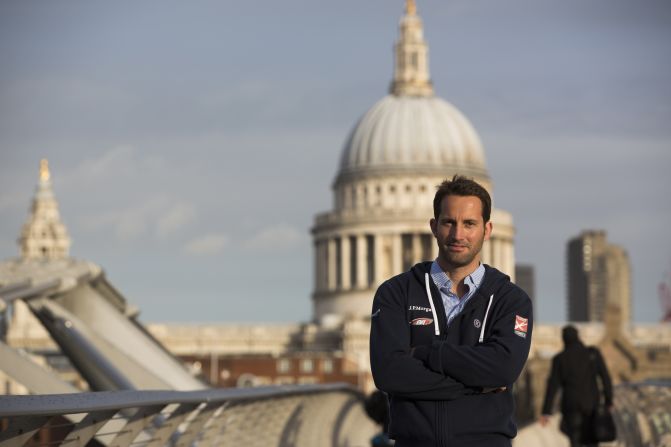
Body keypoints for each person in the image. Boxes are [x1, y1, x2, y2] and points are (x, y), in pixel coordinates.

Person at [369, 175, 533, 447]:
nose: (458, 235)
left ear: (487, 229)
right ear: (434, 226)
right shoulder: (396, 293)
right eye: (449, 222)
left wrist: (425, 354)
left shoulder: (511, 300)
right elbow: (388, 373)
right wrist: (477, 385)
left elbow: (503, 369)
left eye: (469, 224)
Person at [540, 325, 614, 447]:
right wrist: (608, 401)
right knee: (592, 441)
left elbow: (552, 387)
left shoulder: (559, 359)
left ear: (564, 340)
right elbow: (606, 378)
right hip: (592, 406)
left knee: (575, 442)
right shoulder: (593, 354)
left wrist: (546, 412)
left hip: (571, 407)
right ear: (577, 337)